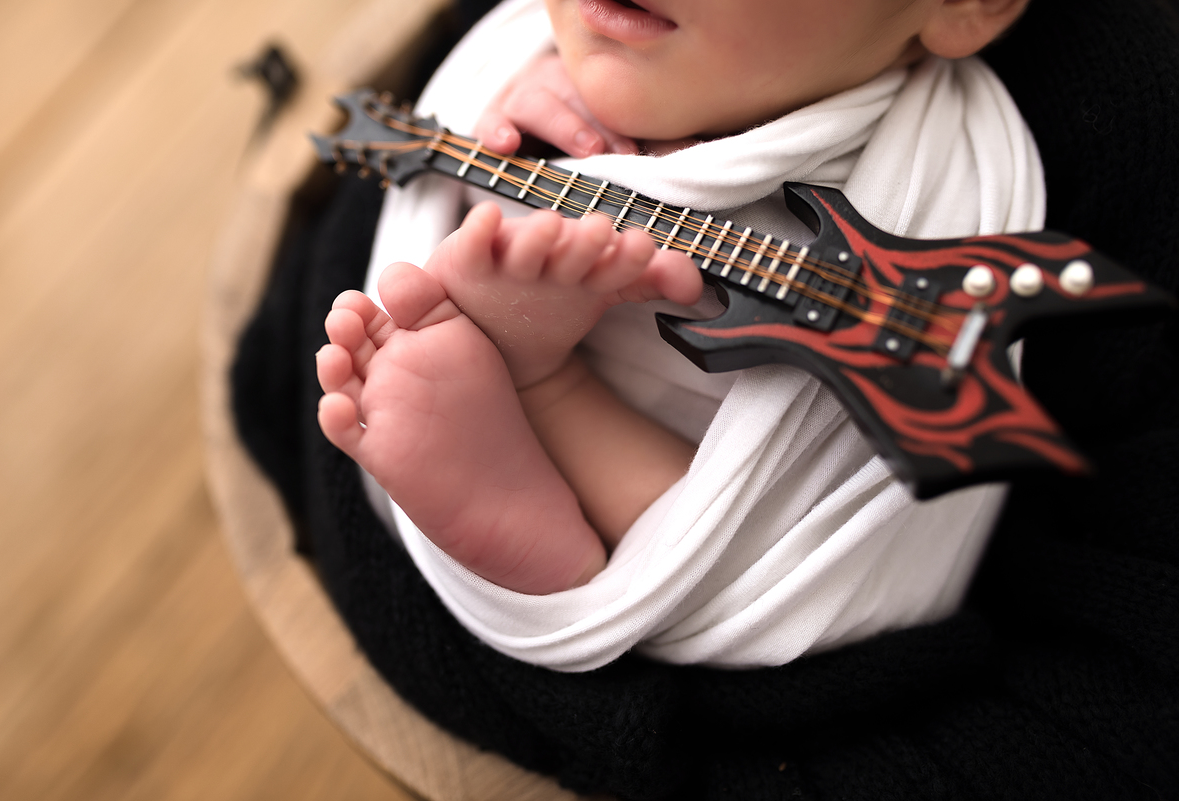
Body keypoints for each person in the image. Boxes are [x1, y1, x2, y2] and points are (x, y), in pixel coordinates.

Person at [315, 0, 1037, 662]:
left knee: (746, 543)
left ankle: (540, 432)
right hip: (533, 302)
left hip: (715, 518)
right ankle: (517, 388)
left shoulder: (954, 178)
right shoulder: (539, 53)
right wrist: (513, 105)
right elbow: (478, 97)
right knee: (488, 243)